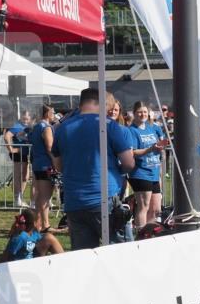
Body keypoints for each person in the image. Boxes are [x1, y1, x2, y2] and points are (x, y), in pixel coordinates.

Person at [51, 89, 136, 250]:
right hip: (105, 199)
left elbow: (58, 165)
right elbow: (129, 162)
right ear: (101, 103)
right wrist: (118, 169)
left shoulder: (62, 128)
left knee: (83, 258)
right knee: (120, 254)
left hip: (74, 201)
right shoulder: (109, 125)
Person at [127, 100, 167, 230]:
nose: (142, 114)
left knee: (156, 208)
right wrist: (150, 149)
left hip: (154, 171)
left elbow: (161, 143)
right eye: (139, 112)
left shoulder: (153, 127)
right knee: (144, 206)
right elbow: (133, 152)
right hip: (140, 172)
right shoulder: (131, 130)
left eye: (144, 112)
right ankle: (141, 234)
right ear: (134, 113)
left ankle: (151, 233)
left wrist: (160, 148)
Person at [29, 105, 58, 231]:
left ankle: (38, 223)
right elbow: (50, 147)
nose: (54, 114)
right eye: (52, 112)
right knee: (46, 196)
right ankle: (45, 224)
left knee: (41, 195)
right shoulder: (45, 127)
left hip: (37, 163)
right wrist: (56, 163)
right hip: (46, 165)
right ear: (47, 113)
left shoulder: (36, 127)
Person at [4, 110, 33, 207]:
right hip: (18, 154)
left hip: (25, 154)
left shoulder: (28, 127)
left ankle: (20, 197)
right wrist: (11, 149)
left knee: (25, 177)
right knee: (18, 176)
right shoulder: (17, 126)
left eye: (27, 119)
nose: (25, 120)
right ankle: (17, 199)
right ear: (20, 117)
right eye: (24, 118)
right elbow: (7, 136)